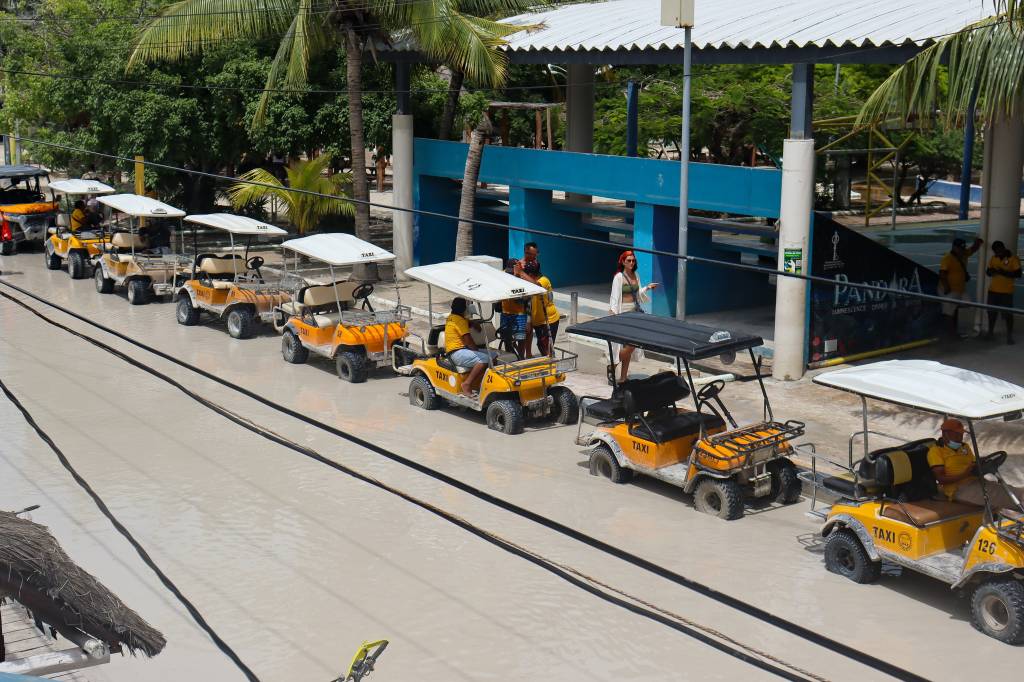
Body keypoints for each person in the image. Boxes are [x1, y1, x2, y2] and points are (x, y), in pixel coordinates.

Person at [928, 418, 1024, 512]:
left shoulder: (964, 447)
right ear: (945, 434)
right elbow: (941, 479)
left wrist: (983, 462)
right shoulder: (936, 451)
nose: (960, 437)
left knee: (1009, 489)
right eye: (957, 434)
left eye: (961, 434)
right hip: (958, 489)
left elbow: (973, 464)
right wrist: (965, 474)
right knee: (1012, 495)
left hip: (976, 482)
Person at [608, 250, 659, 384]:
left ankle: (623, 376)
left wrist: (647, 288)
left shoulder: (636, 275)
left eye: (633, 260)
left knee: (631, 344)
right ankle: (612, 363)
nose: (631, 263)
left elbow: (637, 293)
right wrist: (613, 312)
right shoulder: (619, 277)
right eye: (628, 260)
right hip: (622, 314)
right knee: (625, 346)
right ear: (623, 262)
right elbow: (614, 296)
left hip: (634, 314)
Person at [445, 297, 495, 397]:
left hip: (460, 350)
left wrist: (472, 322)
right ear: (465, 309)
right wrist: (477, 351)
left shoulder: (452, 317)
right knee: (484, 359)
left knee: (494, 355)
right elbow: (468, 340)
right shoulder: (459, 321)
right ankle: (467, 384)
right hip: (456, 352)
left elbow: (464, 322)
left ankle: (481, 383)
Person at [938, 236, 983, 336]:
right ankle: (950, 334)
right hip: (950, 290)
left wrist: (978, 242)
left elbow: (973, 249)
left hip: (960, 290)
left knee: (967, 303)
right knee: (949, 313)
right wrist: (946, 287)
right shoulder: (947, 258)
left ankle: (951, 324)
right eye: (960, 248)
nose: (962, 250)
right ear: (954, 247)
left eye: (963, 248)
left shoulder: (964, 254)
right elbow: (942, 274)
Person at [984, 240, 1021, 344]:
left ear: (1003, 249)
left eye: (998, 251)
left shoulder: (1013, 259)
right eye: (995, 252)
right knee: (991, 313)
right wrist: (991, 272)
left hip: (1006, 292)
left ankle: (1009, 336)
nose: (997, 253)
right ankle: (990, 333)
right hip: (993, 291)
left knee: (1008, 315)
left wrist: (1002, 272)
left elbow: (1018, 274)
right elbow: (988, 271)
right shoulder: (993, 258)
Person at [531, 267, 561, 356]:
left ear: (531, 275)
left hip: (549, 319)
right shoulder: (530, 283)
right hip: (538, 321)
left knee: (547, 345)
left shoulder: (543, 280)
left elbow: (537, 286)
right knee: (541, 344)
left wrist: (521, 273)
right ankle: (548, 362)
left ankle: (552, 363)